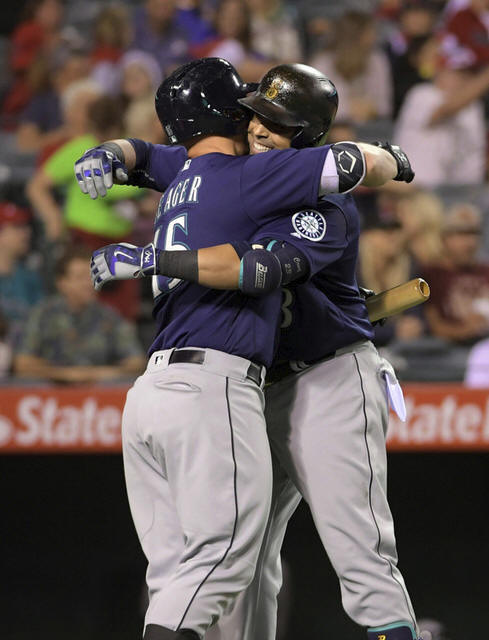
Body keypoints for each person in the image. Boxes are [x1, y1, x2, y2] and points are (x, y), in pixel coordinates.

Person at [76, 59, 419, 640]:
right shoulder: (239, 168)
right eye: (256, 112)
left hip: (327, 375)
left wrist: (152, 258)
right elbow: (150, 154)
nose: (258, 127)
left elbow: (262, 270)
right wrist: (109, 153)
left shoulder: (324, 203)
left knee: (359, 550)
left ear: (305, 140)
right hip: (254, 384)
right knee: (247, 557)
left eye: (277, 123)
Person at [14, 246, 145, 384]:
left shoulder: (109, 316)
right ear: (62, 283)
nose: (89, 283)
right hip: (50, 391)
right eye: (80, 277)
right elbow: (22, 363)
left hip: (99, 391)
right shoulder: (42, 314)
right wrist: (66, 375)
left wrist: (96, 374)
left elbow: (136, 362)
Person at [422, 203, 489, 344]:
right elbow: (435, 326)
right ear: (444, 238)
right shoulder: (432, 275)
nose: (470, 242)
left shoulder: (485, 271)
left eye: (474, 234)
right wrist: (466, 329)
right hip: (450, 349)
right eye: (461, 234)